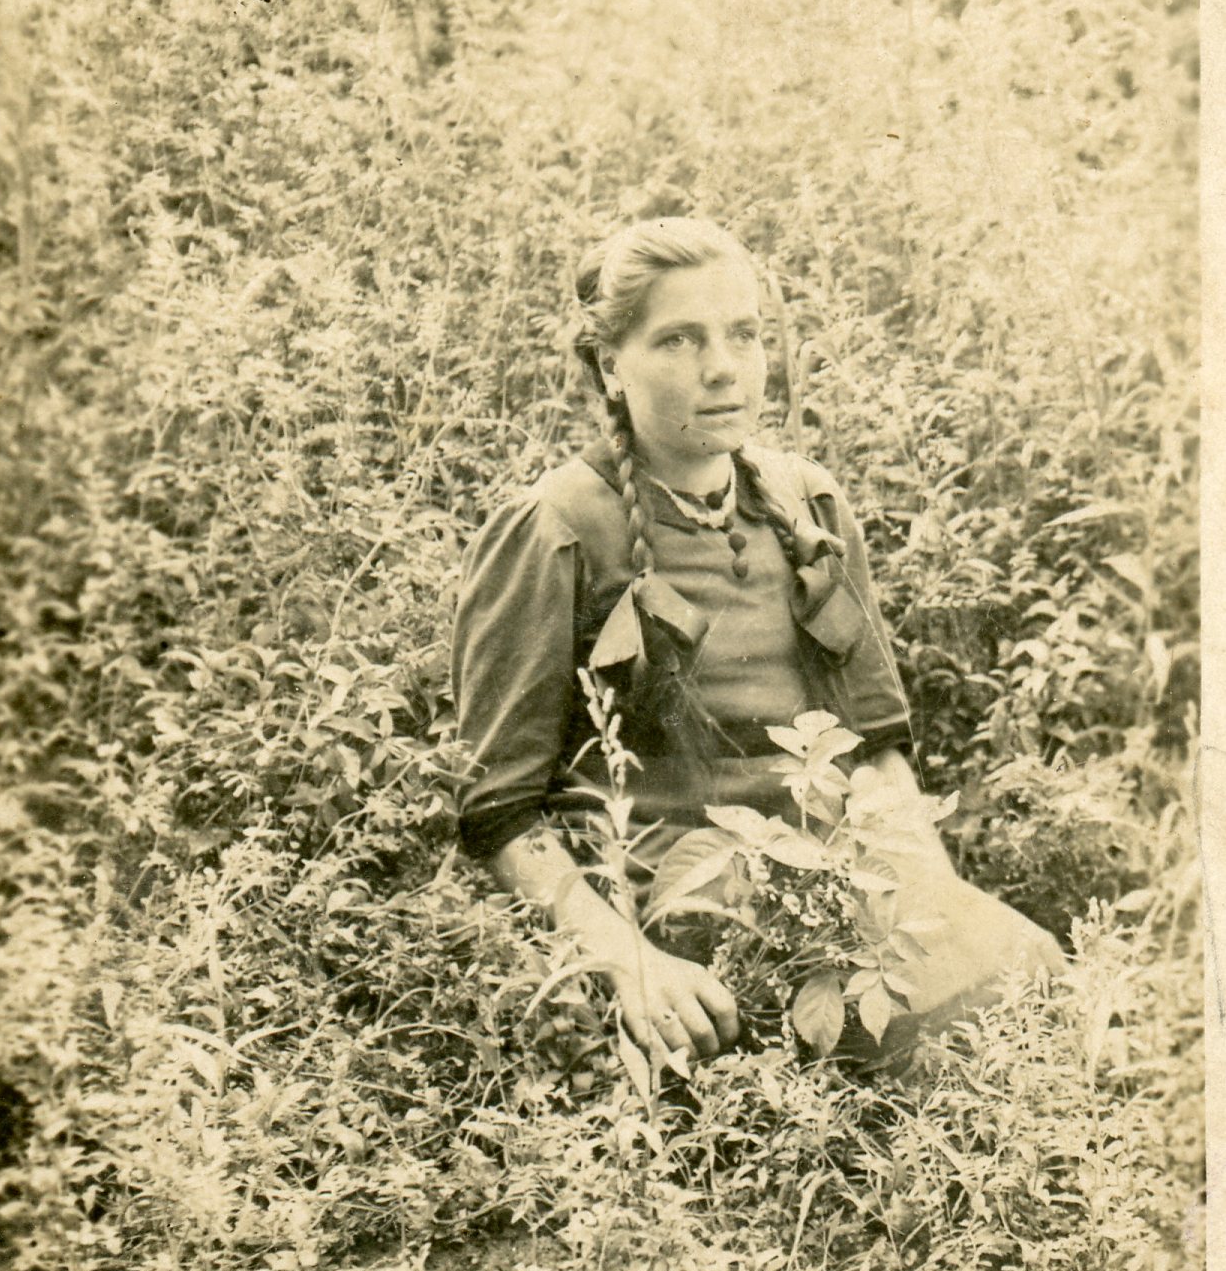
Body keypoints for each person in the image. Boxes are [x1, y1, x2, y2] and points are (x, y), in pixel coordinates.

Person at [451, 217, 1061, 1066]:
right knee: (923, 1043)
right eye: (678, 340)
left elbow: (876, 749)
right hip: (685, 910)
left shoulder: (804, 502)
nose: (722, 367)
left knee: (1032, 974)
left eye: (742, 334)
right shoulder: (556, 526)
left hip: (838, 879)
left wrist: (935, 904)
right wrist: (628, 962)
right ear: (609, 365)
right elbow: (499, 813)